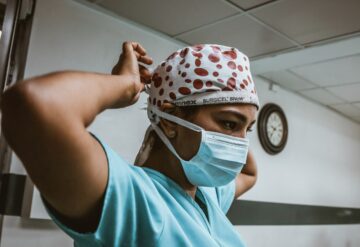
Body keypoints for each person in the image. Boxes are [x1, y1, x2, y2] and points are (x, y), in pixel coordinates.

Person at [1, 42, 259, 247]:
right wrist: (126, 85)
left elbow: (249, 173)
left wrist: (238, 121)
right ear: (171, 122)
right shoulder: (132, 200)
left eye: (248, 129)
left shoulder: (206, 195)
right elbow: (34, 105)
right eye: (228, 124)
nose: (241, 144)